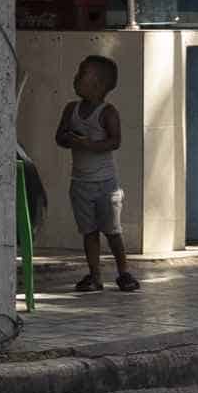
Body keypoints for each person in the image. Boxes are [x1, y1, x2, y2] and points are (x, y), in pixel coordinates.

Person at [56, 54, 134, 293]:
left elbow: (115, 141)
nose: (76, 78)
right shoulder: (71, 109)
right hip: (80, 183)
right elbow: (59, 137)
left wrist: (90, 144)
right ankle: (95, 275)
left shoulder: (107, 112)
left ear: (98, 84)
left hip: (105, 184)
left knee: (112, 231)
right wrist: (70, 139)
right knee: (88, 231)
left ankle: (124, 273)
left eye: (82, 74)